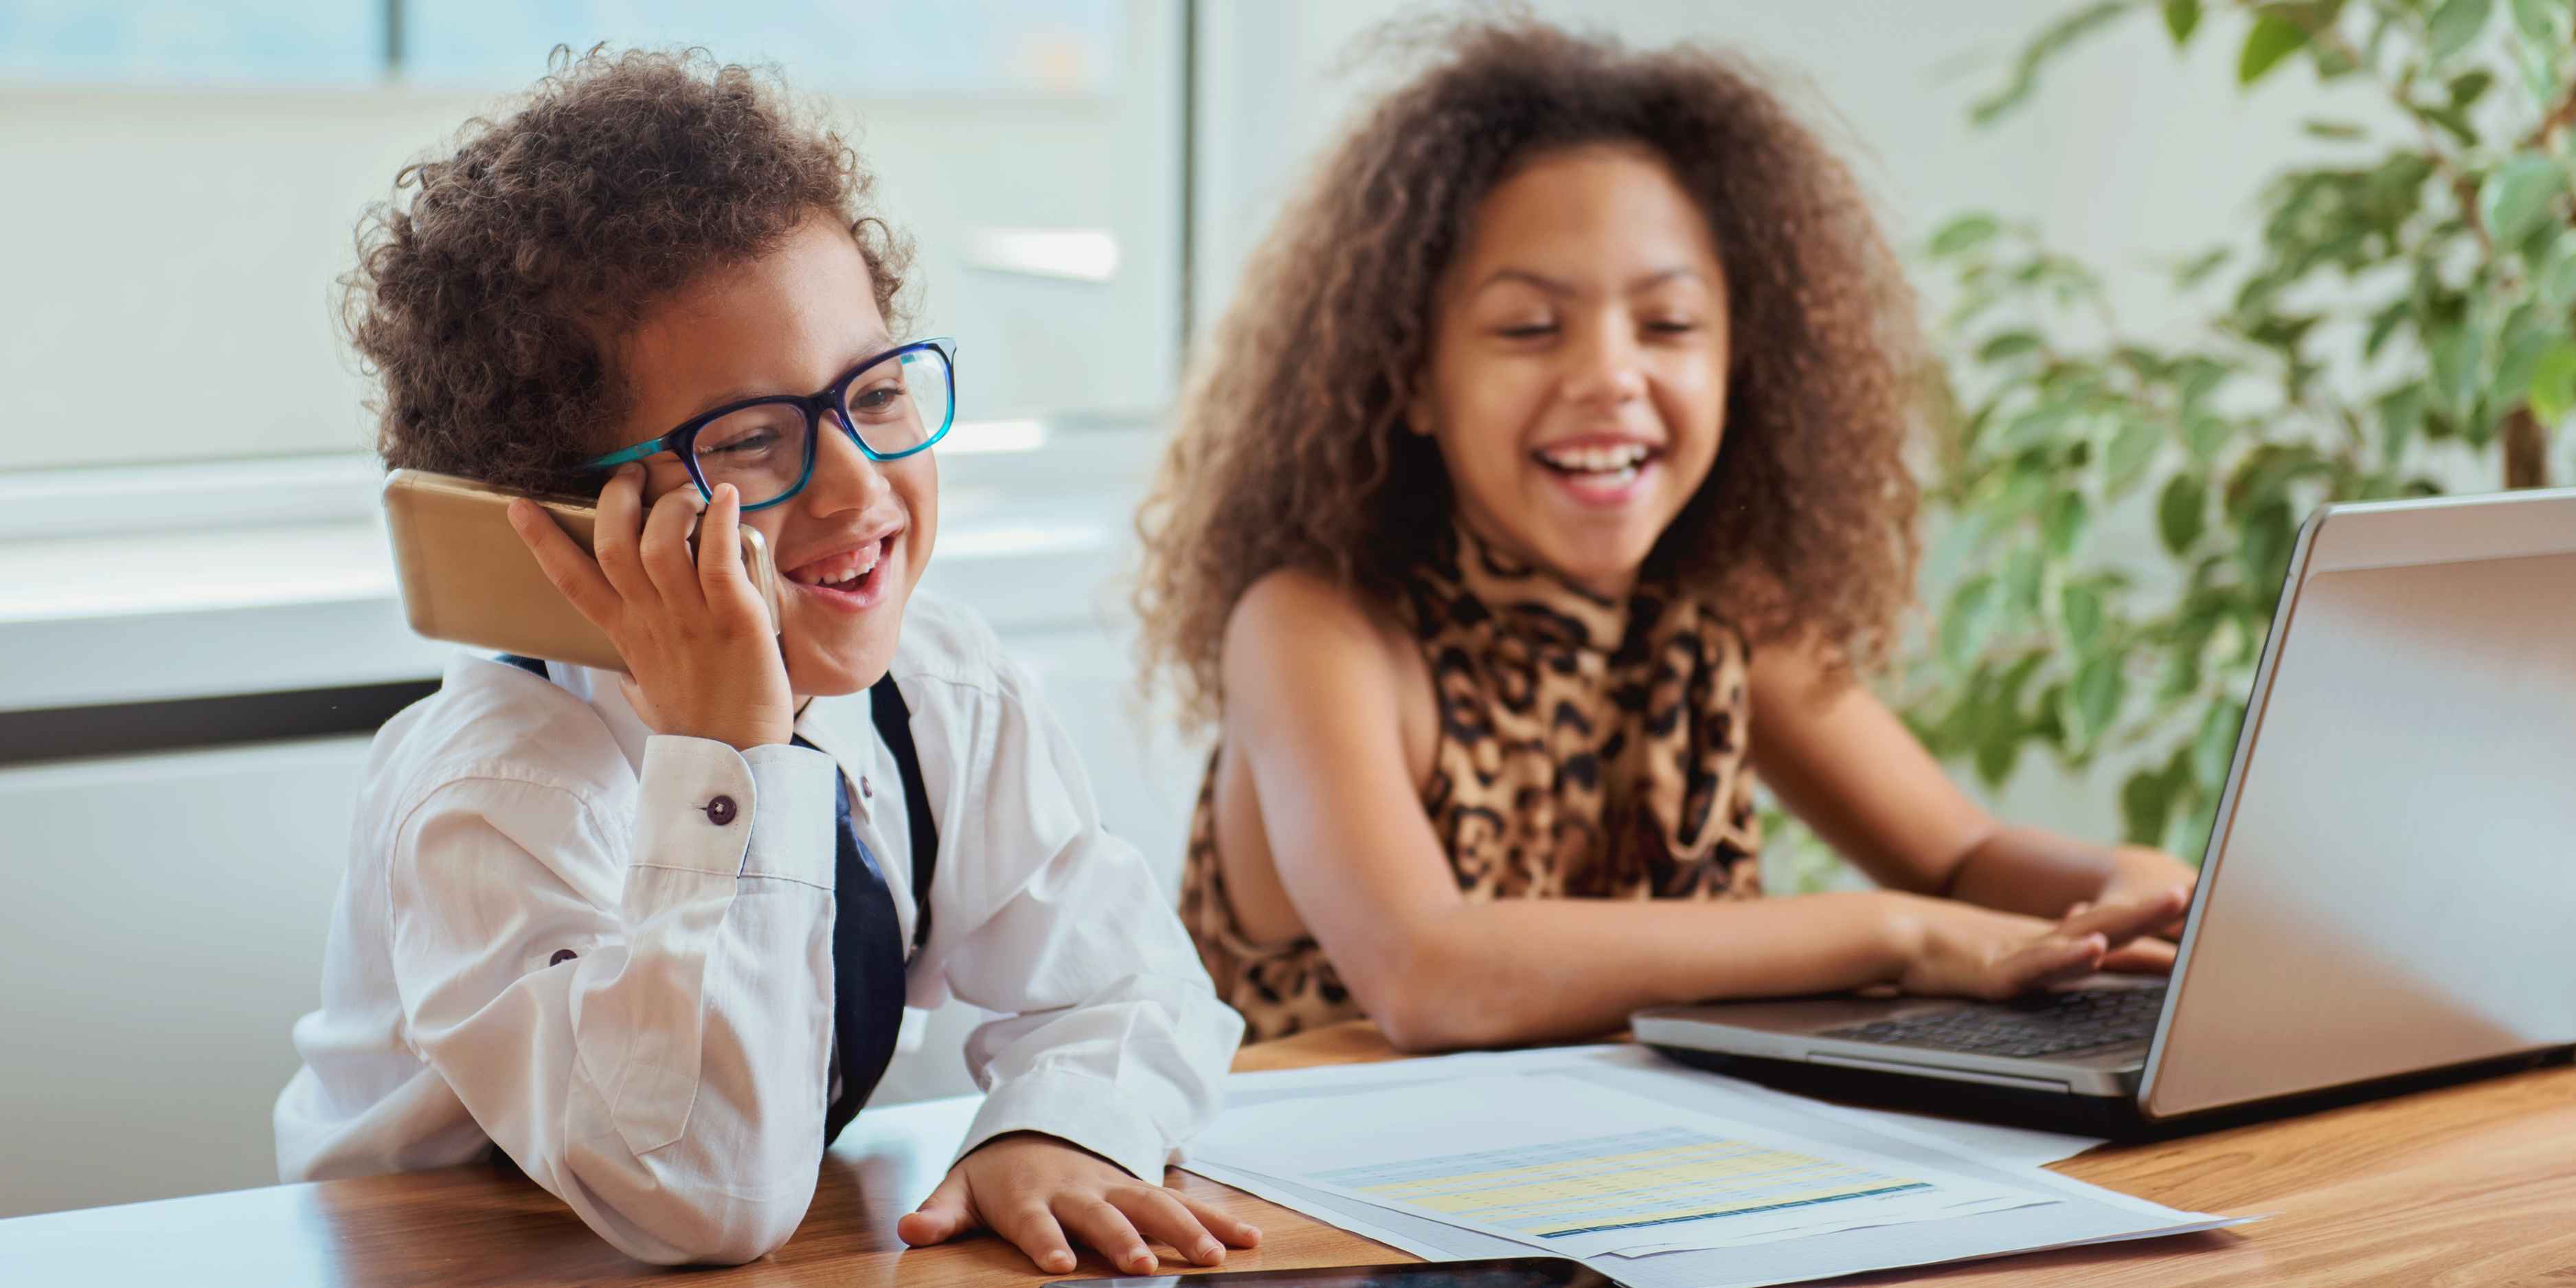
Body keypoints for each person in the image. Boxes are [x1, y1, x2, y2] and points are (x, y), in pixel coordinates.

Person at [275, 49, 1256, 1273]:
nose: (855, 487)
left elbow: (1130, 987)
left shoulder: (938, 690)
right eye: (748, 440)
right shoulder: (500, 787)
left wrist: (1059, 1127)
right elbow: (700, 1197)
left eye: (877, 394)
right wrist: (728, 755)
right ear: (564, 521)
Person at [1134, 19, 2196, 1052]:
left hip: (1644, 1201)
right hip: (1319, 1220)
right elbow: (1429, 975)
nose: (1609, 376)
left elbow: (1958, 859)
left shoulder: (1721, 610)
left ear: (1743, 363)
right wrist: (1895, 932)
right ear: (1407, 375)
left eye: (1669, 325)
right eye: (1527, 328)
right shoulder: (1315, 630)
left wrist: (2117, 887)